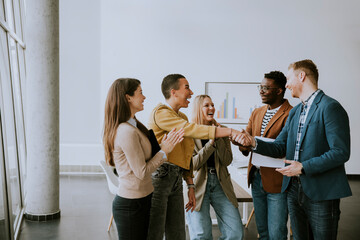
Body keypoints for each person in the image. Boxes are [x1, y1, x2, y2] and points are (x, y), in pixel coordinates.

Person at [235, 60, 352, 240]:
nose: (287, 84)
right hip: (293, 189)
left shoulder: (330, 107)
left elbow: (340, 152)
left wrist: (303, 167)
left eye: (289, 79)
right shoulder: (296, 112)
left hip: (321, 191)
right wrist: (253, 142)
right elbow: (279, 146)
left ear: (302, 76)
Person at [147, 74, 245, 240]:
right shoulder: (162, 113)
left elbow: (184, 157)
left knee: (177, 233)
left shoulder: (182, 118)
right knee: (160, 232)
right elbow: (190, 135)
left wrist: (189, 184)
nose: (191, 92)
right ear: (174, 92)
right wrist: (225, 134)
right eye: (187, 88)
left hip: (180, 177)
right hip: (162, 175)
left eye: (213, 105)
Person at [102, 78, 184, 240]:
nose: (144, 97)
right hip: (131, 206)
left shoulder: (135, 125)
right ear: (128, 98)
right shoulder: (126, 131)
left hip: (143, 199)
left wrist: (162, 145)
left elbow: (145, 155)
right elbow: (141, 171)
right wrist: (164, 151)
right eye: (140, 93)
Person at [239, 71, 292, 240]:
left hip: (278, 179)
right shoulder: (257, 112)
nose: (261, 91)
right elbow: (247, 141)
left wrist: (251, 142)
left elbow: (284, 148)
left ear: (279, 90)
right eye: (260, 87)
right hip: (256, 177)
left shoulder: (291, 113)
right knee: (263, 231)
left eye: (266, 88)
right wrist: (240, 142)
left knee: (276, 233)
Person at [185, 95, 244, 240]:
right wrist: (211, 144)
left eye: (212, 105)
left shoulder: (222, 130)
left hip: (221, 183)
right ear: (199, 109)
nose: (211, 108)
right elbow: (193, 165)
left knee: (235, 232)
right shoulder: (189, 131)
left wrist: (219, 138)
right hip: (197, 185)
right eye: (207, 105)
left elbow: (227, 160)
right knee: (201, 235)